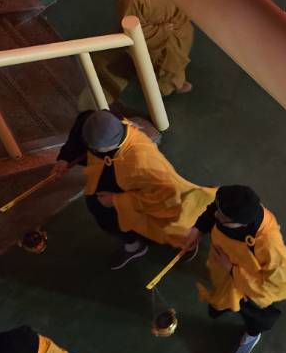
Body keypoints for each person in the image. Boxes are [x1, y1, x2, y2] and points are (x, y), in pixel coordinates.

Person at [52, 108, 215, 270]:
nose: (90, 151)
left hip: (146, 196)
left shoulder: (143, 160)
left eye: (94, 150)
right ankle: (133, 243)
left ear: (111, 146)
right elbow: (80, 131)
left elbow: (163, 195)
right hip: (113, 180)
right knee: (103, 211)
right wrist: (66, 157)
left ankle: (152, 243)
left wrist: (117, 200)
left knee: (159, 223)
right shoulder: (96, 121)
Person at [187, 185, 286, 353]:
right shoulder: (230, 209)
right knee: (222, 299)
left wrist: (232, 269)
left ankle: (253, 333)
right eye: (218, 208)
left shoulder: (268, 245)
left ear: (240, 223)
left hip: (251, 288)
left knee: (254, 310)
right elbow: (213, 211)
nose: (216, 215)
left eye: (222, 217)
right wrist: (198, 229)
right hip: (226, 269)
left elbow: (273, 283)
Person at [109, 0, 193, 97]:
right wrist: (163, 30)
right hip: (160, 36)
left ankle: (174, 79)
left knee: (177, 55)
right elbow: (132, 26)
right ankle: (165, 87)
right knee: (164, 62)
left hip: (177, 23)